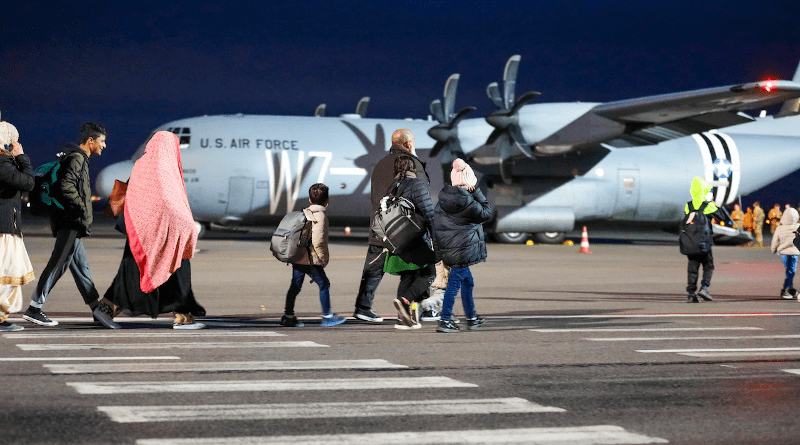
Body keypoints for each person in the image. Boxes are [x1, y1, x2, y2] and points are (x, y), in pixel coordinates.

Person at [102, 131, 206, 329]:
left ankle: (106, 308)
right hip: (164, 233)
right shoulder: (165, 169)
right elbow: (170, 202)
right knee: (176, 272)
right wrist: (187, 226)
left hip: (139, 233)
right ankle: (182, 317)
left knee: (130, 274)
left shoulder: (142, 166)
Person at [23, 123, 118, 328]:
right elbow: (65, 187)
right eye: (102, 141)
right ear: (90, 141)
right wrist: (81, 210)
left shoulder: (77, 159)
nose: (104, 145)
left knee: (81, 268)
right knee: (58, 264)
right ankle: (34, 308)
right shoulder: (76, 159)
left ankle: (96, 309)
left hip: (72, 222)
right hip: (70, 222)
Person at [352, 129, 430, 323]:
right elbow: (420, 192)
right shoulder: (410, 162)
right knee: (416, 267)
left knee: (373, 269)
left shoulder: (380, 164)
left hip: (380, 226)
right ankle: (422, 308)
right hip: (404, 228)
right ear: (408, 144)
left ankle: (362, 308)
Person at [434, 159, 493, 332]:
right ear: (469, 182)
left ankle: (472, 317)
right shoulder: (468, 201)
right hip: (462, 250)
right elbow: (487, 213)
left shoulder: (443, 199)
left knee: (468, 282)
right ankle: (444, 320)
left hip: (448, 248)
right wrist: (477, 192)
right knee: (455, 284)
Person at [280, 183, 346, 328]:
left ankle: (288, 316)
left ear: (310, 200)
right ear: (327, 200)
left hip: (298, 255)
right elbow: (318, 240)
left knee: (295, 286)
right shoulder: (320, 215)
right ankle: (327, 316)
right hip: (310, 258)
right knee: (324, 284)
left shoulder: (305, 212)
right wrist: (322, 258)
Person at [383, 155, 437, 329]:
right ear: (412, 168)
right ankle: (405, 300)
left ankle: (403, 319)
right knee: (429, 273)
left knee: (408, 276)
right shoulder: (417, 185)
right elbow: (429, 212)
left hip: (397, 239)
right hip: (415, 236)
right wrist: (436, 237)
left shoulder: (393, 186)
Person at [0, 123, 35, 332]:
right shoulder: (3, 164)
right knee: (6, 271)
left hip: (6, 225)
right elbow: (28, 182)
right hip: (4, 228)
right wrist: (21, 156)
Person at [684, 176, 727, 303]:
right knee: (708, 266)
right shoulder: (708, 206)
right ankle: (704, 288)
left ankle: (691, 293)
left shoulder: (688, 205)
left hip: (690, 242)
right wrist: (713, 203)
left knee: (692, 268)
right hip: (704, 242)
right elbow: (722, 217)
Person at [770, 207, 799, 300]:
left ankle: (790, 288)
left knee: (789, 271)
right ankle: (786, 289)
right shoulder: (798, 226)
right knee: (791, 271)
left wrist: (773, 249)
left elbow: (775, 241)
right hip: (793, 252)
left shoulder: (779, 228)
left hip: (783, 252)